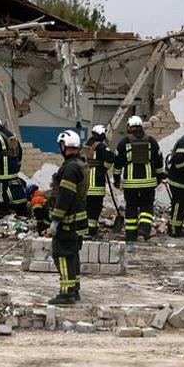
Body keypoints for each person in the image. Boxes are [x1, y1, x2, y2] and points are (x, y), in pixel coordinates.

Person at [46, 130, 88, 305]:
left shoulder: (70, 168)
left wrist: (55, 221)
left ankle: (66, 293)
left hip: (68, 220)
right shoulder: (80, 164)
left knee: (62, 255)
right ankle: (74, 289)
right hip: (79, 219)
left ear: (64, 146)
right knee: (73, 255)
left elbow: (65, 196)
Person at [116, 115, 162, 242]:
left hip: (130, 183)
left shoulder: (124, 142)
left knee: (131, 206)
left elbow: (118, 163)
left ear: (129, 127)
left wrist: (116, 178)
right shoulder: (151, 141)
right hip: (148, 182)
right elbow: (159, 161)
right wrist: (159, 177)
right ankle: (145, 227)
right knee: (146, 205)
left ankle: (131, 234)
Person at [0, 117, 30, 218]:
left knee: (0, 192)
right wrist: (17, 164)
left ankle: (3, 212)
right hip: (13, 171)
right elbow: (19, 150)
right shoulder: (11, 135)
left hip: (2, 172)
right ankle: (18, 211)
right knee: (14, 188)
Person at [82, 124, 114, 238]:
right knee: (94, 209)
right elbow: (111, 158)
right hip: (96, 184)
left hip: (84, 184)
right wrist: (104, 168)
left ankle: (85, 229)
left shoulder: (85, 146)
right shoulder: (100, 146)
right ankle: (91, 230)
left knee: (85, 208)